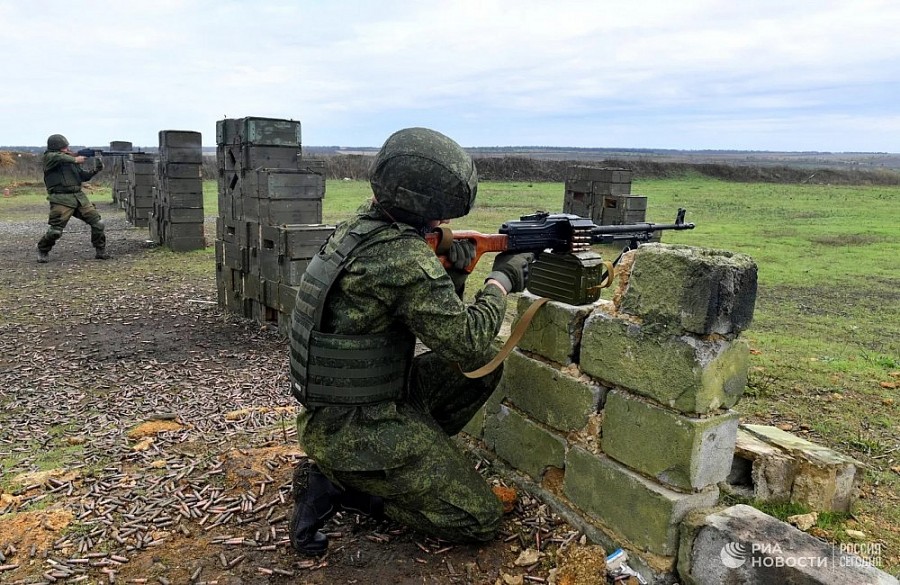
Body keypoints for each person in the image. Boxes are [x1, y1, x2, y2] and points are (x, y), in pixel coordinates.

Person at [288, 127, 533, 556]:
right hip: (357, 428)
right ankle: (346, 487)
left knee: (485, 367)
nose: (444, 222)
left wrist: (453, 276)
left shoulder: (360, 229)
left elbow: (443, 335)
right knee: (478, 519)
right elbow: (469, 341)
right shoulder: (401, 255)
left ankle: (405, 464)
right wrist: (501, 280)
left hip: (347, 407)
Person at [37, 134, 109, 263]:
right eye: (64, 147)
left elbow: (82, 177)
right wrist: (76, 159)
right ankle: (42, 249)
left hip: (79, 197)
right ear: (56, 147)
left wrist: (95, 170)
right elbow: (58, 157)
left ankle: (100, 250)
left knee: (98, 223)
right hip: (61, 199)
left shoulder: (69, 159)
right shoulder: (50, 157)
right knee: (55, 231)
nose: (66, 149)